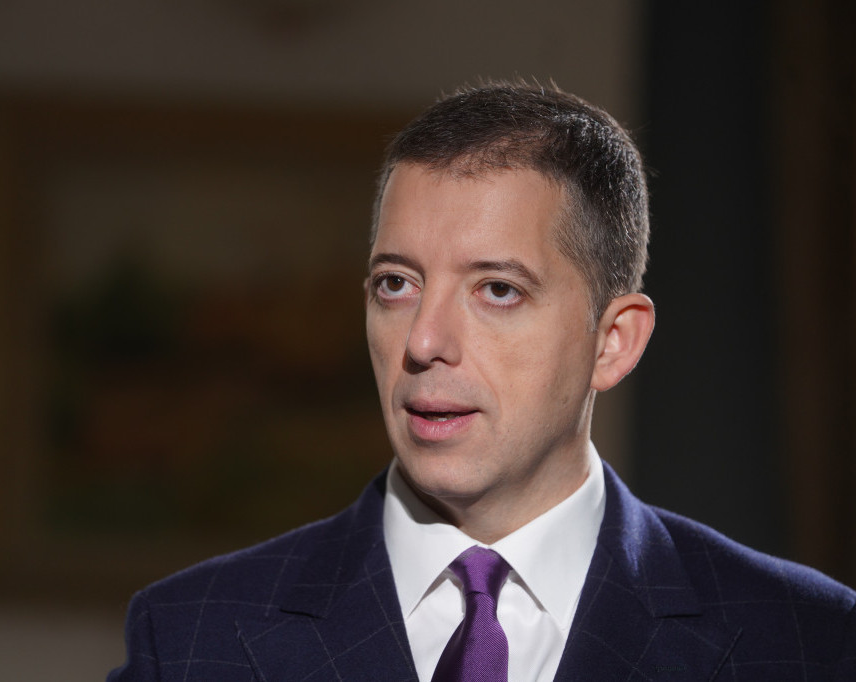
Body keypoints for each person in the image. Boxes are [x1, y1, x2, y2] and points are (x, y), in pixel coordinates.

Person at [109, 81, 855, 681]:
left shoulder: (808, 642)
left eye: (497, 290)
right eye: (396, 284)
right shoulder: (189, 639)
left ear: (613, 342)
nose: (423, 341)